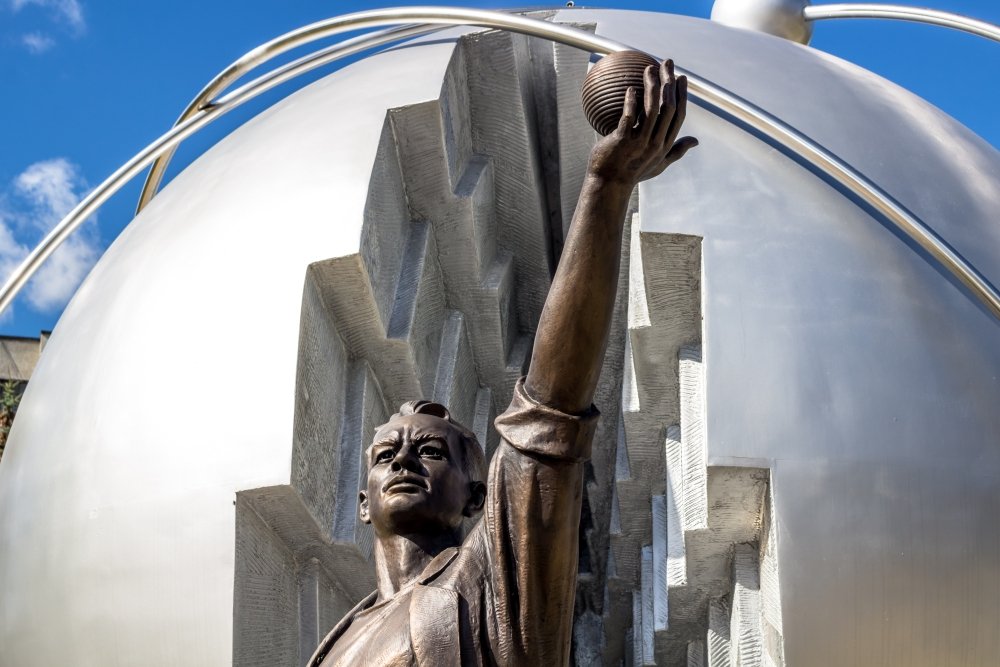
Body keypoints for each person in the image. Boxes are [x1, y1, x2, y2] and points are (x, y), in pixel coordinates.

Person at [308, 59, 697, 667]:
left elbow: (549, 412)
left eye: (433, 452)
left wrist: (605, 188)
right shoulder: (339, 637)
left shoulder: (488, 584)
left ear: (477, 496)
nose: (405, 459)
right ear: (363, 501)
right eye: (388, 454)